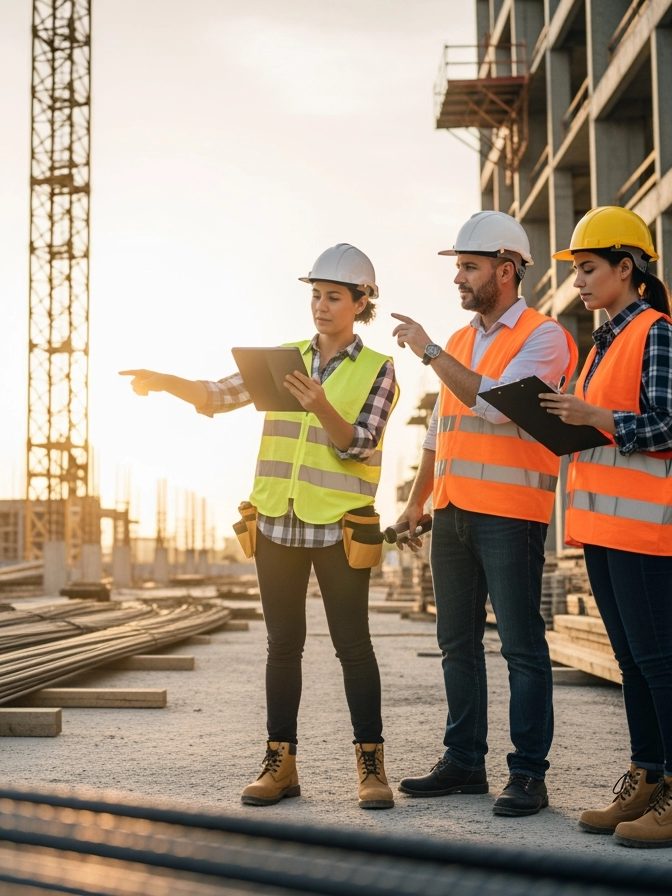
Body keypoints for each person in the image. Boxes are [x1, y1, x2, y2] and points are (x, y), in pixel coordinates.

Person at [120, 244, 398, 810]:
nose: (321, 306)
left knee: (353, 646)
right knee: (282, 647)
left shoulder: (379, 368)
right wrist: (168, 380)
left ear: (361, 302)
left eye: (334, 297)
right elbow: (220, 395)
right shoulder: (284, 358)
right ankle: (280, 764)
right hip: (276, 521)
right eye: (316, 295)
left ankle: (370, 766)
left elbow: (360, 443)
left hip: (340, 527)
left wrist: (320, 404)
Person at [388, 211, 576, 817]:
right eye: (459, 267)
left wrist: (428, 351)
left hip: (511, 513)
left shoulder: (545, 337)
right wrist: (416, 502)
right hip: (452, 513)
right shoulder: (461, 341)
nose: (458, 278)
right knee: (456, 644)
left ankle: (528, 775)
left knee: (521, 646)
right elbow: (438, 431)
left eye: (469, 267)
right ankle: (465, 761)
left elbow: (495, 405)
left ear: (506, 269)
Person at [540, 206, 672, 848]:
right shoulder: (602, 343)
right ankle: (647, 778)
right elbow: (603, 427)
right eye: (576, 270)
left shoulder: (657, 333)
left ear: (626, 267)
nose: (578, 281)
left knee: (658, 658)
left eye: (588, 268)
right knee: (632, 661)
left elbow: (667, 425)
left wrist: (593, 416)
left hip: (641, 528)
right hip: (603, 526)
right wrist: (564, 420)